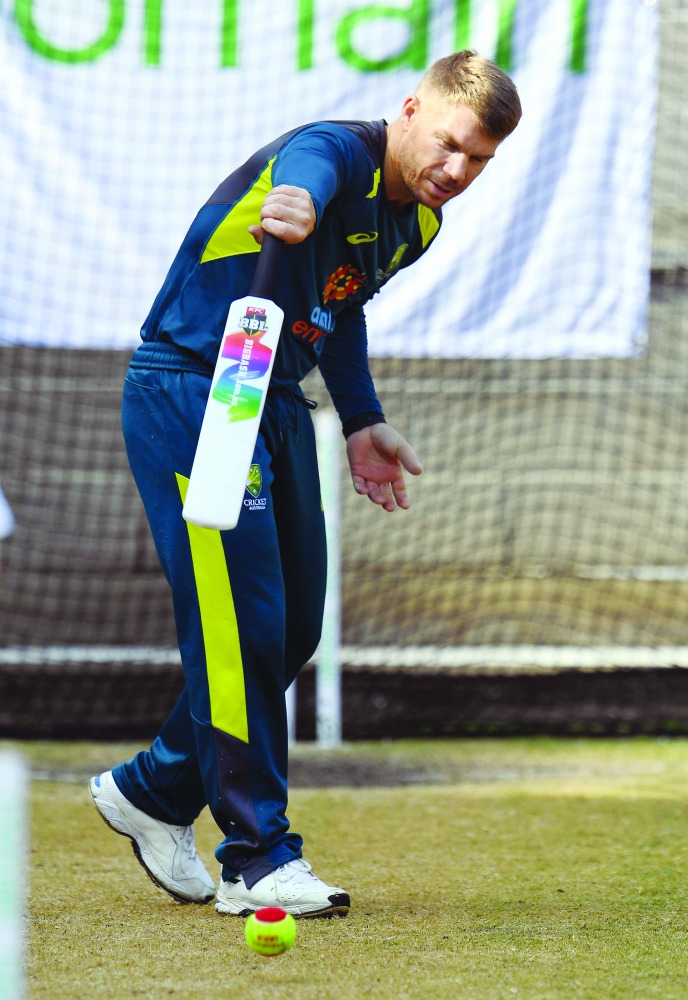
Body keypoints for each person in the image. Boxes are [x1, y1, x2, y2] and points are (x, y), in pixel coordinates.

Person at [89, 50, 522, 918]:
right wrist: (295, 201)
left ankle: (151, 791)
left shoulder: (420, 225)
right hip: (195, 392)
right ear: (409, 110)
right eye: (447, 146)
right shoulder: (334, 152)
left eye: (477, 159)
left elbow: (341, 307)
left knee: (288, 636)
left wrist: (362, 420)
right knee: (238, 629)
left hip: (276, 400)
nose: (456, 171)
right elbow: (308, 172)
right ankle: (257, 857)